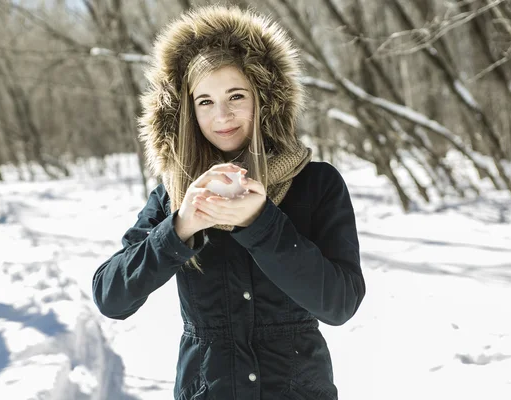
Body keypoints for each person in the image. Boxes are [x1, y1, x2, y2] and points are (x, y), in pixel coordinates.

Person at [92, 5, 365, 399]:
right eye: (205, 101)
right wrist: (180, 227)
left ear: (265, 100)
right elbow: (110, 297)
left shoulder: (317, 184)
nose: (222, 116)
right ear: (187, 112)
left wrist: (260, 222)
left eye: (236, 96)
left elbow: (340, 304)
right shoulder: (173, 197)